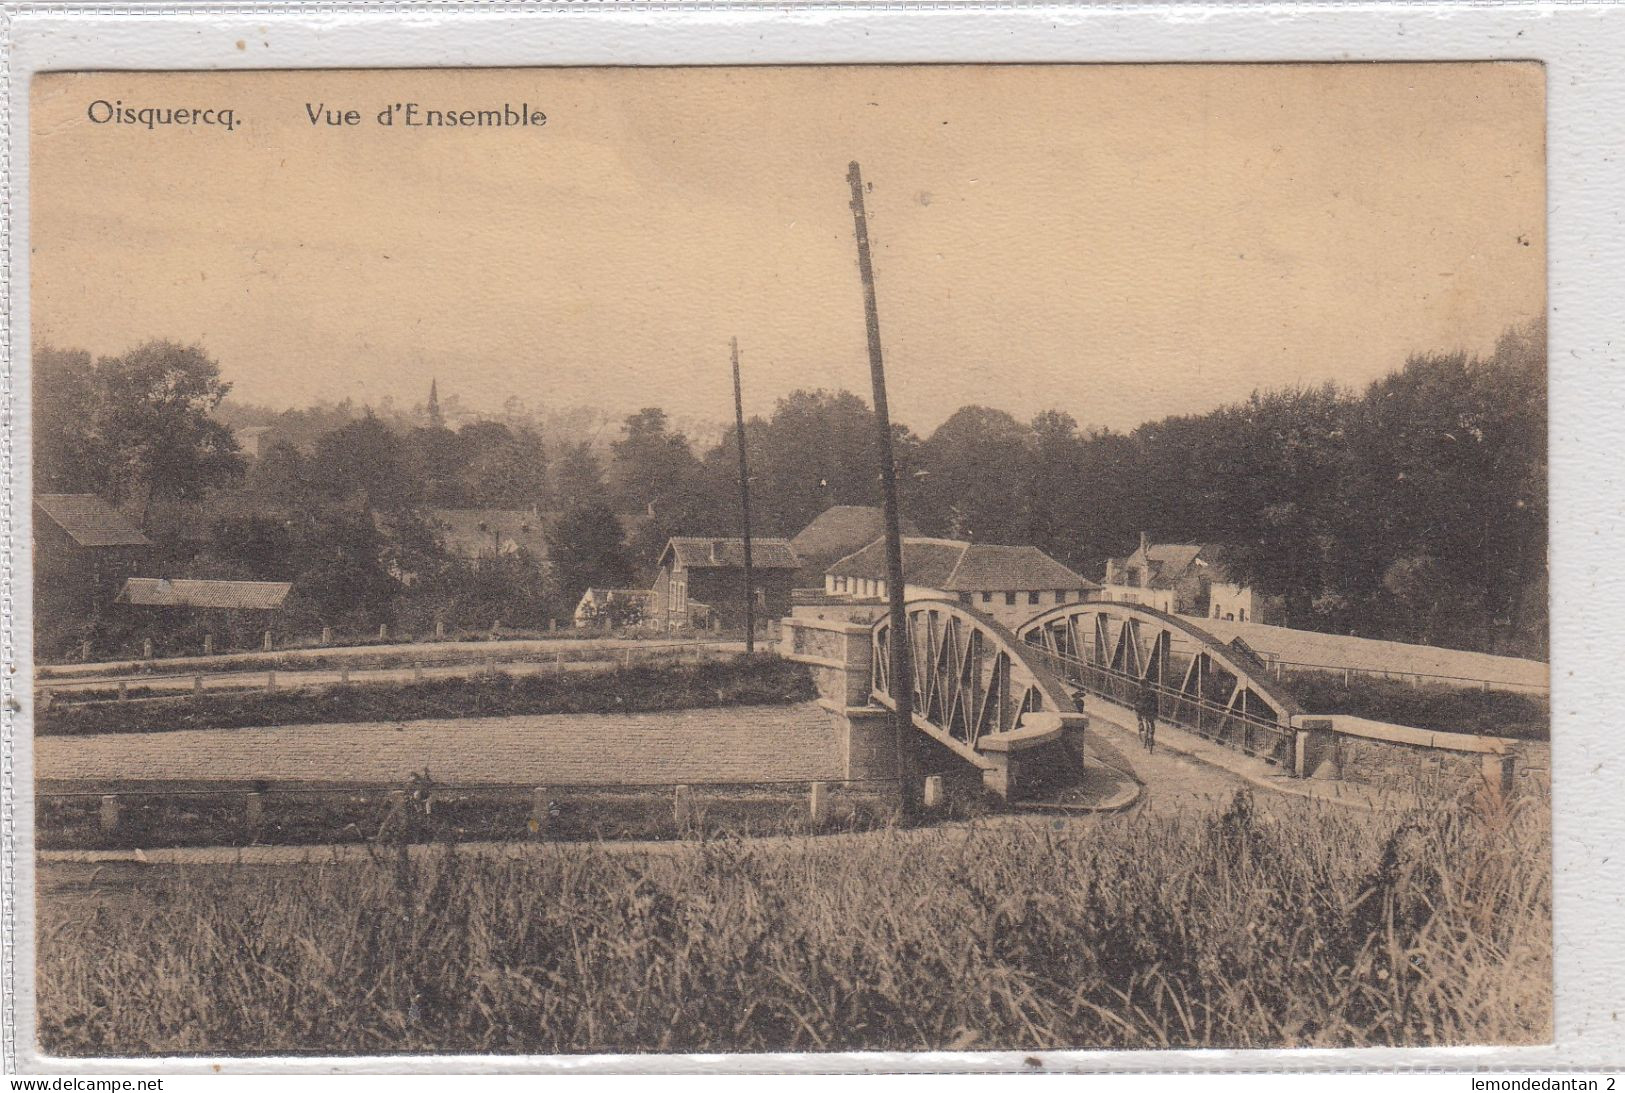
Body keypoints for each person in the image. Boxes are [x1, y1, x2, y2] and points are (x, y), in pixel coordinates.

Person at [1135, 680, 1159, 754]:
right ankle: (1151, 735)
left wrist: (1135, 706)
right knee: (1151, 722)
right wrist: (1156, 711)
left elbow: (1135, 700)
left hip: (1141, 709)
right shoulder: (1152, 692)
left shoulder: (1139, 690)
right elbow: (1156, 701)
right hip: (1150, 710)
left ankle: (1140, 723)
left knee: (1137, 712)